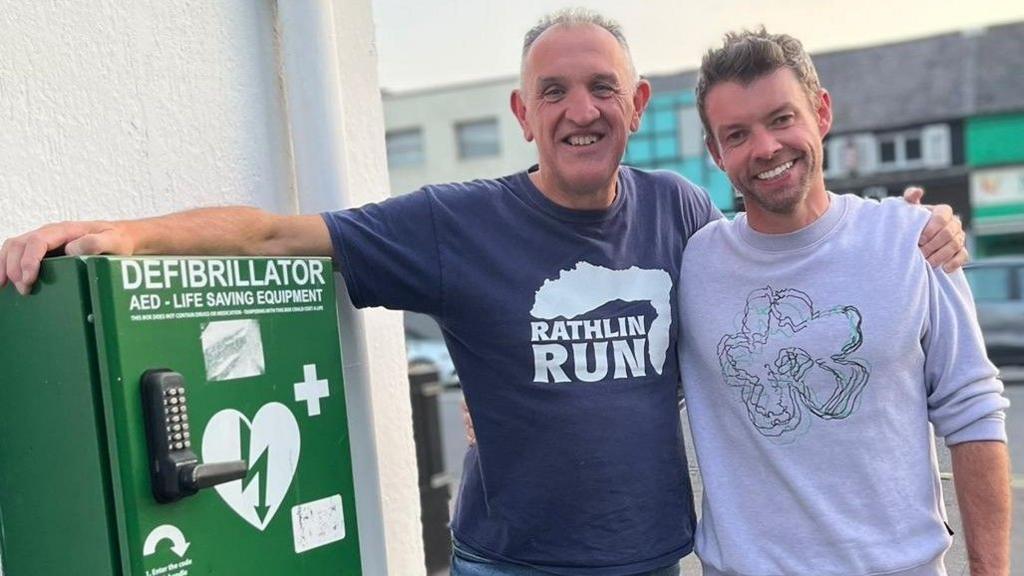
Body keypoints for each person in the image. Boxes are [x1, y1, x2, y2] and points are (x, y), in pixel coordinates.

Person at [1, 10, 967, 576]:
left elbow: (782, 251)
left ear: (636, 109)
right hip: (511, 564)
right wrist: (119, 233)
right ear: (522, 114)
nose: (578, 110)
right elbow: (275, 230)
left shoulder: (681, 213)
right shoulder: (455, 223)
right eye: (552, 92)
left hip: (653, 561)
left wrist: (907, 229)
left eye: (600, 89)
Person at [678, 29, 1010, 576]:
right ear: (716, 153)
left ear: (821, 112)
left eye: (781, 119)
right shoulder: (694, 263)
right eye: (737, 134)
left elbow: (973, 415)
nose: (765, 148)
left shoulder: (913, 241)